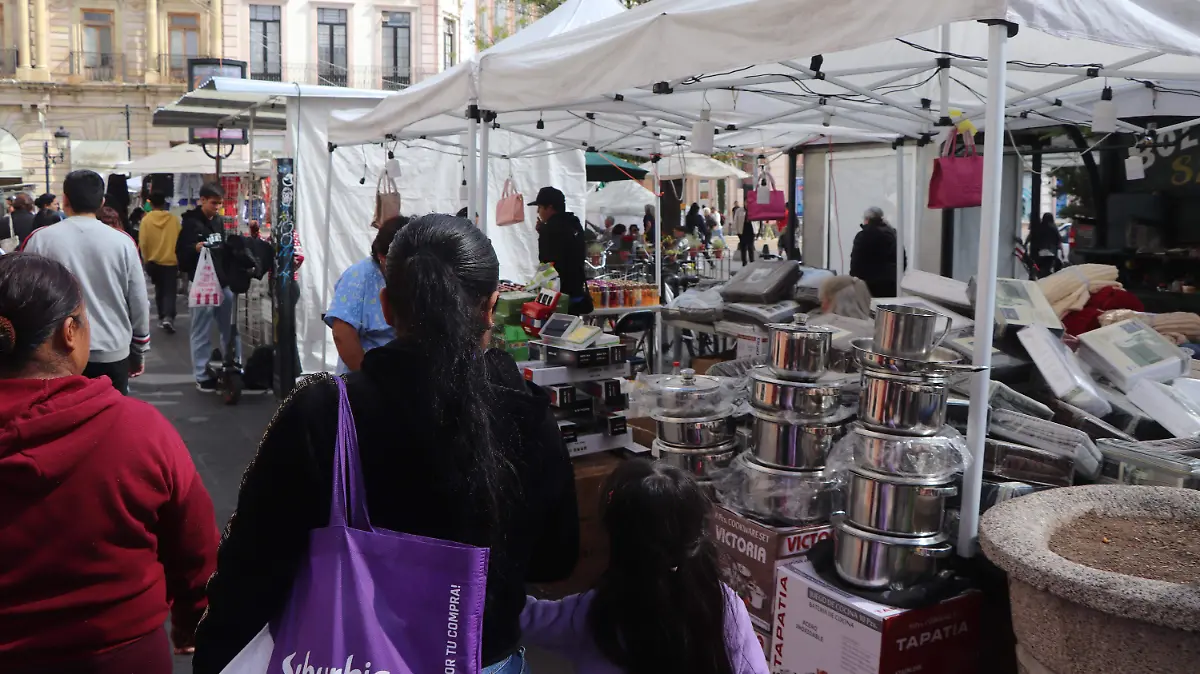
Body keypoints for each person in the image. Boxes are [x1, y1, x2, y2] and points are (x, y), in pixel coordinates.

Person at [192, 214, 580, 674]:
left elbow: (251, 565)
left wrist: (215, 655)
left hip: (348, 656)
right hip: (483, 657)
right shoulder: (526, 411)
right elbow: (556, 558)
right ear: (492, 306)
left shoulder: (323, 411)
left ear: (387, 306)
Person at [0, 253, 218, 672]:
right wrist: (194, 619)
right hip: (121, 653)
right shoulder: (138, 430)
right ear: (69, 332)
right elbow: (195, 544)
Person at [521, 459, 768, 674]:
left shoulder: (589, 614)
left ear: (613, 538)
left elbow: (517, 614)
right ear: (697, 534)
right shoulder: (723, 604)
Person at [22, 171, 150, 396]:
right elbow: (139, 301)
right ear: (102, 202)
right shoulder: (123, 243)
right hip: (111, 349)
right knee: (109, 423)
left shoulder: (39, 240)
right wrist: (139, 349)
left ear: (65, 200)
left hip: (56, 352)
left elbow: (24, 297)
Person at [324, 215, 407, 373]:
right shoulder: (358, 277)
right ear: (382, 257)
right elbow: (342, 334)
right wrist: (367, 378)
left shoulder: (415, 274)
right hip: (367, 380)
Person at [177, 183, 240, 393]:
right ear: (202, 200)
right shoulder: (190, 224)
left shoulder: (219, 221)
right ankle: (202, 375)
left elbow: (224, 252)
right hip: (201, 284)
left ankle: (233, 365)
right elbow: (181, 254)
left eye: (220, 204)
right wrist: (195, 248)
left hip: (222, 283)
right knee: (201, 331)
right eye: (214, 203)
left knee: (229, 328)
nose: (217, 208)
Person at [531, 186, 591, 315]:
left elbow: (546, 264)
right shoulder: (574, 223)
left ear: (550, 208)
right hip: (576, 289)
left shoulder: (550, 230)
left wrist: (543, 233)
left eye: (540, 207)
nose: (538, 211)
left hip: (559, 294)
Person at [139, 192, 183, 334]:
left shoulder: (146, 220)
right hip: (171, 260)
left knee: (159, 288)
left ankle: (161, 315)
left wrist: (145, 259)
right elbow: (179, 238)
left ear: (150, 204)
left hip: (153, 261)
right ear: (164, 204)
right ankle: (168, 317)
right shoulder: (173, 219)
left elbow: (143, 242)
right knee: (170, 290)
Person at [849, 206, 904, 298]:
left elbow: (856, 262)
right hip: (892, 285)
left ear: (867, 220)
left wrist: (854, 279)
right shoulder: (893, 235)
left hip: (869, 286)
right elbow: (902, 259)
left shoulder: (863, 236)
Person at [1026, 212, 1064, 279]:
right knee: (1051, 266)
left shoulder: (1039, 227)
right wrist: (1062, 252)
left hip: (1040, 250)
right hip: (1051, 252)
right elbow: (1059, 240)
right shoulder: (1054, 227)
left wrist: (1025, 243)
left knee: (1038, 265)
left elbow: (1031, 236)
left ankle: (1036, 273)